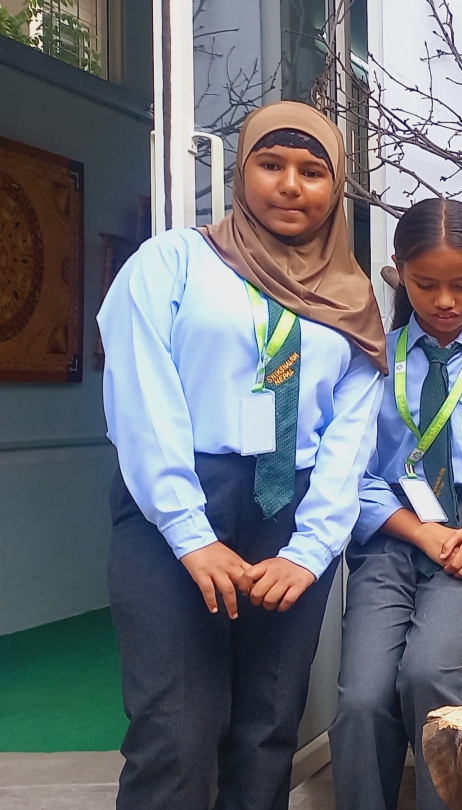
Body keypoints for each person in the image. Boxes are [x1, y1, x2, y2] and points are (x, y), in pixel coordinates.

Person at [98, 100, 385, 808]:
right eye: (271, 164)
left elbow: (349, 436)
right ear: (239, 172)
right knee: (174, 731)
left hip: (293, 511)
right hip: (176, 502)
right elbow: (143, 396)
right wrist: (189, 532)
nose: (290, 184)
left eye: (312, 171)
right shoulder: (171, 261)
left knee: (266, 731)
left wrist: (309, 552)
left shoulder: (352, 298)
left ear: (336, 186)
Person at [331, 198, 462, 810]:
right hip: (393, 534)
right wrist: (421, 534)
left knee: (428, 675)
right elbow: (356, 472)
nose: (445, 301)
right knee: (360, 699)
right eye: (425, 285)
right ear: (399, 272)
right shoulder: (373, 357)